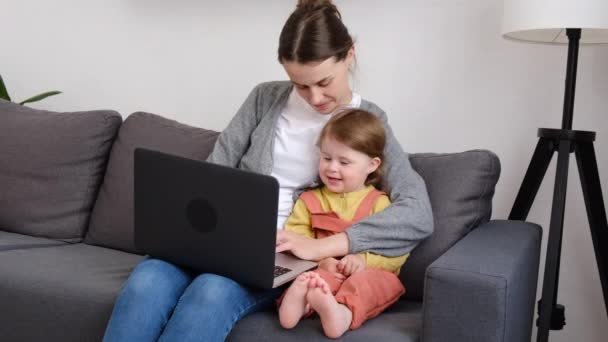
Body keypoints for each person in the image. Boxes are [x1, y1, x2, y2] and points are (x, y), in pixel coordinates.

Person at [103, 0, 433, 341]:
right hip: (219, 239)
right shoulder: (264, 98)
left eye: (324, 82)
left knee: (210, 292)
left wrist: (325, 246)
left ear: (349, 55)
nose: (314, 97)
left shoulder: (371, 123)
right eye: (300, 85)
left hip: (280, 258)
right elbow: (214, 172)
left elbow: (418, 213)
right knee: (146, 282)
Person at [278, 109, 409, 338]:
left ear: (372, 165)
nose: (332, 168)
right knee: (311, 280)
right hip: (326, 269)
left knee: (371, 284)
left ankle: (341, 314)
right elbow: (295, 237)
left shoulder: (380, 204)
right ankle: (296, 307)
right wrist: (322, 262)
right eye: (326, 158)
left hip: (368, 272)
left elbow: (396, 251)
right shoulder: (309, 200)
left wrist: (362, 260)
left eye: (344, 162)